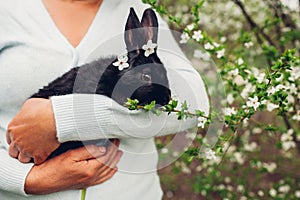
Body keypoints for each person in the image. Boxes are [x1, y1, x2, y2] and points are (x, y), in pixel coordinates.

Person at [0, 0, 209, 199]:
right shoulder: (9, 10)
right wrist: (27, 179)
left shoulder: (136, 7)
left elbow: (195, 102)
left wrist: (61, 118)